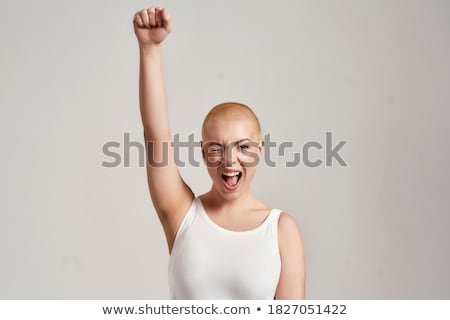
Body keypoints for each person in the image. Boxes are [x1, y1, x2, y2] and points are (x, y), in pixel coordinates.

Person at [133, 6, 306, 299]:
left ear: (260, 149)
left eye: (243, 147)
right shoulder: (182, 214)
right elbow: (155, 137)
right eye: (216, 148)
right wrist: (149, 49)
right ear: (203, 152)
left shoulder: (281, 230)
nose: (229, 160)